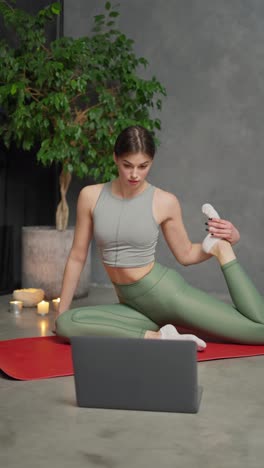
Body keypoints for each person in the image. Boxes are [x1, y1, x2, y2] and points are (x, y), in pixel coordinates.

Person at [55, 125, 264, 349]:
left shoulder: (164, 201)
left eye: (143, 166)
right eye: (127, 165)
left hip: (166, 296)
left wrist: (228, 240)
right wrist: (61, 310)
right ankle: (161, 337)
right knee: (66, 324)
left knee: (260, 332)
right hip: (132, 305)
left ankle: (221, 250)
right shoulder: (91, 196)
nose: (134, 174)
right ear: (115, 158)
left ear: (151, 162)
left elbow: (186, 254)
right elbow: (77, 256)